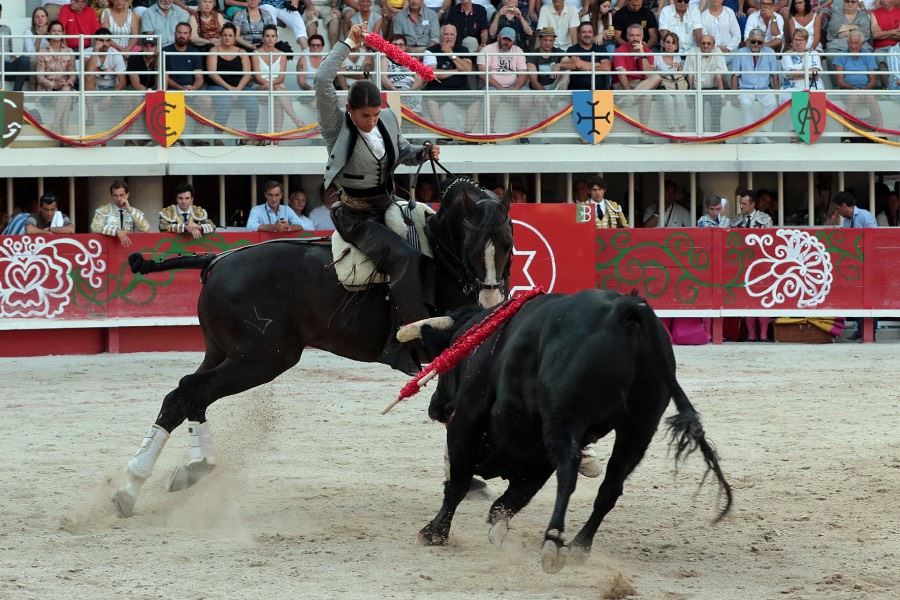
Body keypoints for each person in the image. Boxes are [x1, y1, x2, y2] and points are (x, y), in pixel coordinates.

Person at [316, 22, 440, 372]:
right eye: (363, 116)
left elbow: (401, 151)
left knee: (433, 237)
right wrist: (347, 44)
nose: (370, 121)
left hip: (387, 204)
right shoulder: (336, 127)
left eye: (374, 114)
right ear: (350, 111)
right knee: (403, 258)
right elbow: (321, 81)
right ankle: (403, 343)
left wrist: (423, 153)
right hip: (354, 214)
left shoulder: (387, 117)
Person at [833, 190, 877, 341]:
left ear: (844, 205)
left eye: (838, 208)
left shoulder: (865, 216)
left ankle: (870, 332)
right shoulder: (847, 220)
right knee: (857, 297)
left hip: (869, 263)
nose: (838, 212)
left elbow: (874, 239)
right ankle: (860, 329)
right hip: (854, 264)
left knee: (869, 297)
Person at [422, 25, 480, 137]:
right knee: (430, 102)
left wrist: (451, 54)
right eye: (446, 34)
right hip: (437, 89)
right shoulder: (430, 51)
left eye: (452, 34)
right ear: (440, 35)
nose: (449, 37)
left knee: (476, 101)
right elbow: (432, 74)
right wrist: (457, 69)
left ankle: (467, 134)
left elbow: (468, 69)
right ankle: (444, 134)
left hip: (460, 89)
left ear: (456, 36)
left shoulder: (463, 50)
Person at [207, 23, 259, 145]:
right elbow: (212, 74)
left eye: (230, 35)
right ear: (221, 36)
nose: (227, 38)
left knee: (253, 102)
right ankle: (217, 138)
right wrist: (230, 88)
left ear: (235, 37)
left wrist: (237, 89)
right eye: (224, 35)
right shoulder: (214, 50)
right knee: (224, 103)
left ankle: (251, 136)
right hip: (218, 86)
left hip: (240, 87)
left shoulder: (242, 51)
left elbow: (247, 74)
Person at [732, 189, 773, 341]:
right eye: (740, 203)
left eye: (744, 204)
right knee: (746, 298)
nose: (741, 207)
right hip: (743, 265)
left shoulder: (765, 219)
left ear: (752, 204)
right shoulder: (736, 220)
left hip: (762, 264)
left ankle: (763, 335)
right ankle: (751, 334)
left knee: (763, 297)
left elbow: (770, 243)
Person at [253, 24, 305, 139]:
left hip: (277, 86)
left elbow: (281, 78)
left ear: (276, 38)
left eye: (272, 36)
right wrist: (269, 85)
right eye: (267, 36)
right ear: (263, 38)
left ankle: (275, 139)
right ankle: (297, 121)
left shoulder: (282, 55)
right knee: (277, 91)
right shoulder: (255, 54)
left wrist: (272, 86)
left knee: (277, 98)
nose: (270, 38)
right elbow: (257, 77)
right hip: (260, 87)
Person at [164, 21, 211, 145]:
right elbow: (165, 78)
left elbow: (199, 78)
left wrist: (194, 87)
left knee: (206, 100)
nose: (182, 35)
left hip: (191, 90)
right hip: (172, 89)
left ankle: (196, 137)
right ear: (174, 34)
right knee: (172, 98)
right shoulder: (165, 51)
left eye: (185, 33)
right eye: (179, 32)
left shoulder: (194, 52)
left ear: (190, 36)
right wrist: (180, 88)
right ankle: (177, 137)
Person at [731, 28, 781, 144]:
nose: (756, 44)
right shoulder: (740, 53)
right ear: (748, 41)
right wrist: (733, 95)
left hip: (764, 88)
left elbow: (774, 76)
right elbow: (735, 76)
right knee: (746, 104)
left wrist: (777, 94)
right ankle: (750, 135)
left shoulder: (770, 53)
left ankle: (764, 135)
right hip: (745, 89)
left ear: (763, 42)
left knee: (772, 103)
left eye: (759, 42)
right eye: (753, 41)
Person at [477, 27, 530, 135]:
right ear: (499, 37)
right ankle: (490, 130)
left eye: (509, 40)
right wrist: (499, 87)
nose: (506, 42)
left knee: (527, 94)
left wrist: (515, 89)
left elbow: (523, 74)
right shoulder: (487, 49)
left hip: (513, 86)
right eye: (504, 39)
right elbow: (482, 72)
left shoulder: (518, 50)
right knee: (493, 95)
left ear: (514, 41)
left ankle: (522, 131)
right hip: (492, 86)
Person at [613, 24, 660, 131]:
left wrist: (642, 54)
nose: (635, 38)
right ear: (627, 36)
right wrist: (628, 91)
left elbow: (650, 76)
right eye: (632, 35)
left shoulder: (647, 51)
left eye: (638, 35)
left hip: (643, 84)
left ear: (642, 37)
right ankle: (644, 130)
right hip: (624, 84)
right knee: (647, 94)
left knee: (656, 78)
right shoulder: (620, 50)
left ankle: (644, 131)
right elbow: (621, 75)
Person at [834, 31, 884, 129]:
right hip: (847, 91)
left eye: (856, 43)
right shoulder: (841, 55)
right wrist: (854, 89)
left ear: (862, 44)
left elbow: (873, 80)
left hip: (865, 90)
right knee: (855, 97)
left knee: (871, 97)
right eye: (850, 43)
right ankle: (845, 134)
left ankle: (881, 131)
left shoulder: (868, 55)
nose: (853, 46)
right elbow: (840, 81)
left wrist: (864, 91)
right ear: (847, 43)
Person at [37, 20, 77, 135]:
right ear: (49, 33)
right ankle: (65, 132)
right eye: (54, 31)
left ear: (63, 33)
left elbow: (72, 73)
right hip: (47, 91)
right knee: (66, 95)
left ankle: (55, 125)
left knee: (66, 91)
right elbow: (40, 77)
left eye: (59, 31)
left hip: (64, 88)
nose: (57, 33)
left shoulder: (69, 51)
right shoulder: (42, 51)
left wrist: (67, 83)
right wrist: (54, 85)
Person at [84, 29, 127, 128]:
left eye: (108, 41)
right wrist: (96, 50)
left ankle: (126, 133)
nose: (105, 44)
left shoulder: (116, 54)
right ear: (96, 41)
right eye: (102, 40)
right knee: (89, 77)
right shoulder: (87, 52)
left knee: (126, 97)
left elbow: (122, 83)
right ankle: (90, 114)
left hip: (111, 88)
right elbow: (89, 72)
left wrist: (109, 96)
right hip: (94, 87)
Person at [684, 34, 727, 133]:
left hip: (713, 88)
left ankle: (716, 136)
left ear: (713, 45)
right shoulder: (692, 52)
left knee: (716, 111)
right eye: (703, 43)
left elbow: (718, 75)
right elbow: (690, 76)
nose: (706, 45)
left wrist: (722, 95)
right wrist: (689, 95)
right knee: (698, 114)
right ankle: (701, 136)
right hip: (697, 89)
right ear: (699, 44)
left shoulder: (717, 51)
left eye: (709, 43)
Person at [91, 179, 151, 247]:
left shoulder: (134, 212)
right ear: (111, 196)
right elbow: (95, 227)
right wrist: (116, 230)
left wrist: (129, 210)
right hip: (108, 248)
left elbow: (146, 228)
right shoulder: (104, 210)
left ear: (127, 195)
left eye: (121, 195)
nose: (119, 198)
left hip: (128, 249)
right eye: (115, 195)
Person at [381, 34, 426, 113]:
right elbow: (383, 77)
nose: (398, 47)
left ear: (405, 47)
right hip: (392, 90)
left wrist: (410, 91)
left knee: (416, 95)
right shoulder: (385, 59)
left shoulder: (413, 59)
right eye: (395, 44)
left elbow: (419, 79)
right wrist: (394, 90)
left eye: (401, 45)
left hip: (410, 90)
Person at [560, 22, 612, 91]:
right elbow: (578, 65)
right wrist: (598, 64)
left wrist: (585, 66)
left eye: (589, 32)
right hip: (577, 91)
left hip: (600, 91)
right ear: (579, 34)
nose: (587, 34)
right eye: (584, 32)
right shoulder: (572, 49)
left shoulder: (601, 49)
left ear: (593, 34)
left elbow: (607, 67)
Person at [656, 33, 689, 137]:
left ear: (676, 46)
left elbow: (682, 77)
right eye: (668, 42)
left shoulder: (678, 58)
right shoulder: (657, 57)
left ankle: (682, 132)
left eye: (673, 43)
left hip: (676, 88)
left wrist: (679, 68)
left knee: (681, 98)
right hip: (662, 89)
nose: (670, 45)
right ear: (664, 44)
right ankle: (672, 132)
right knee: (668, 99)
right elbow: (652, 74)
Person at [780, 27, 825, 94]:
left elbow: (815, 73)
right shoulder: (786, 55)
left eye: (801, 40)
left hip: (814, 88)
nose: (798, 42)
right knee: (802, 101)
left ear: (806, 41)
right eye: (796, 39)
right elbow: (791, 74)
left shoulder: (813, 53)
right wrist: (808, 73)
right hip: (793, 89)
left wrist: (798, 73)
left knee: (813, 101)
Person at [871, 0, 900, 87]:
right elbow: (875, 35)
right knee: (881, 63)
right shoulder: (874, 13)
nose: (884, 1)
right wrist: (894, 31)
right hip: (880, 48)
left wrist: (883, 33)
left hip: (897, 47)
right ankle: (889, 88)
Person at [1, 4, 30, 92]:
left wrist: (13, 58)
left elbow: (10, 50)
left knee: (24, 60)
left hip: (5, 65)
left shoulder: (6, 29)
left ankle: (15, 94)